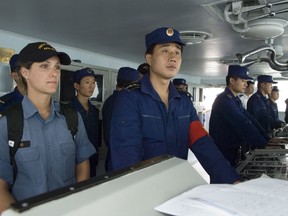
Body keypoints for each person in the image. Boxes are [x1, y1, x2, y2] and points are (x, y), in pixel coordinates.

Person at [109, 27, 240, 184]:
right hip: (144, 188)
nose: (173, 58)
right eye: (165, 51)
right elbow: (127, 156)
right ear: (149, 59)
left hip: (176, 184)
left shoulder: (183, 102)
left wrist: (231, 180)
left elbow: (202, 143)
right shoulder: (130, 99)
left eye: (177, 52)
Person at [0, 42, 96, 212]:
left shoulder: (72, 118)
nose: (54, 73)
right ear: (25, 72)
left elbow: (82, 163)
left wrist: (79, 205)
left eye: (57, 67)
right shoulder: (8, 123)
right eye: (45, 66)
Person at [209, 65, 270, 167]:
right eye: (243, 81)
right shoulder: (224, 100)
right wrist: (263, 143)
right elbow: (242, 123)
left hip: (233, 148)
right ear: (232, 80)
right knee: (223, 181)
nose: (246, 84)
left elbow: (249, 118)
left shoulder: (235, 100)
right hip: (223, 151)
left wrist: (266, 138)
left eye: (246, 81)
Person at [102, 67, 140, 172]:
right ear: (132, 84)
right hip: (124, 160)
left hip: (113, 156)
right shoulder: (126, 102)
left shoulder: (109, 101)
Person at [69, 67, 100, 177]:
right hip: (73, 161)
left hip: (91, 159)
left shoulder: (94, 111)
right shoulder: (68, 110)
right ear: (77, 86)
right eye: (87, 82)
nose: (91, 86)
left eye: (93, 83)